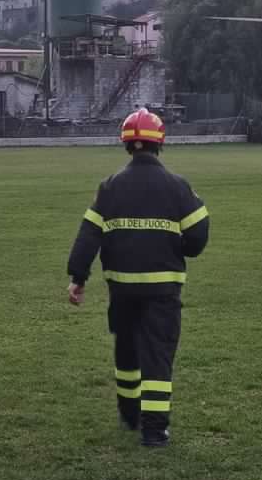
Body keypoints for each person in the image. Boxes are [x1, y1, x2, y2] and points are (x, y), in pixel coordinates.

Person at [66, 107, 210, 448]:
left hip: (123, 289)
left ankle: (129, 415)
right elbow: (199, 234)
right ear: (159, 143)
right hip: (163, 291)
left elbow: (88, 235)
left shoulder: (109, 187)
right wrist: (184, 248)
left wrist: (78, 277)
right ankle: (154, 432)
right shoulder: (177, 186)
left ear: (127, 145)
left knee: (127, 353)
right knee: (157, 357)